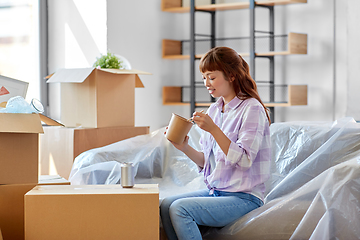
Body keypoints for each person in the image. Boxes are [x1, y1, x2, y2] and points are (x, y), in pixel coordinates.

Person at [160, 46, 271, 240]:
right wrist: (184, 147)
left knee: (180, 209)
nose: (206, 83)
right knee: (166, 204)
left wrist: (213, 129)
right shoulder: (214, 110)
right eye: (204, 78)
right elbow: (207, 162)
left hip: (245, 197)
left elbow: (244, 160)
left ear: (231, 75)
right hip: (217, 192)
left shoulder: (252, 108)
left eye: (211, 77)